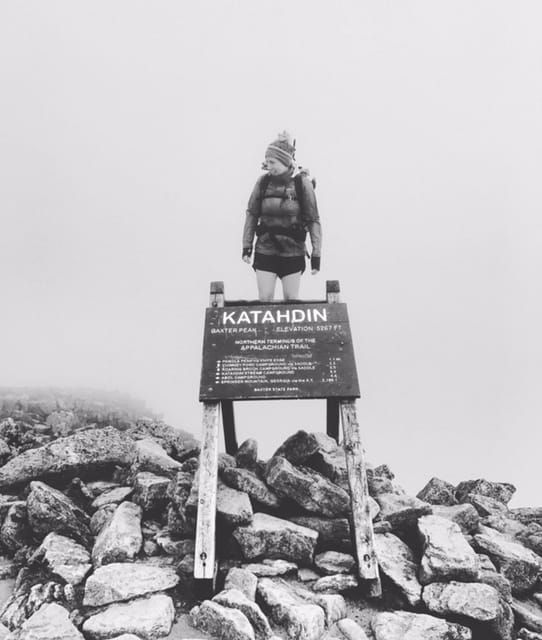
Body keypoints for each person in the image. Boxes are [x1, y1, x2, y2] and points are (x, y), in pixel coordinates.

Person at [242, 131, 322, 301]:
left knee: (291, 299)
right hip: (265, 249)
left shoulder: (302, 184)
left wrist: (316, 255)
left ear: (285, 162)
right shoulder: (262, 182)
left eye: (272, 162)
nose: (268, 166)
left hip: (293, 251)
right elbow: (252, 213)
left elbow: (313, 219)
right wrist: (246, 246)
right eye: (267, 161)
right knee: (265, 297)